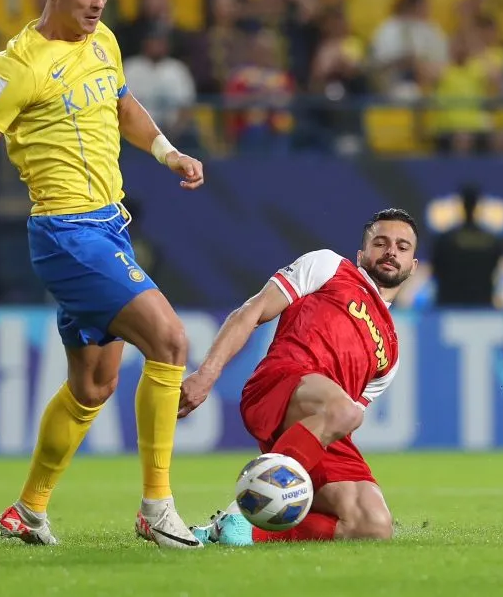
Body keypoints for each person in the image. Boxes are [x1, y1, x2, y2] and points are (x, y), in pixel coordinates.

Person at [0, 0, 207, 549]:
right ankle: (157, 506)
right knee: (172, 342)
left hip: (109, 228)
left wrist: (167, 152)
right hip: (66, 234)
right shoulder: (18, 64)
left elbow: (123, 106)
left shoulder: (104, 43)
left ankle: (29, 509)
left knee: (93, 387)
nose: (98, 2)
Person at [179, 208, 418, 545]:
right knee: (346, 412)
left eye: (402, 247)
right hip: (282, 381)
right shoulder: (330, 266)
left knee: (372, 525)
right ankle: (240, 511)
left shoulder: (391, 352)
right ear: (362, 254)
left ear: (413, 266)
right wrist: (206, 374)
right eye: (381, 243)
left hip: (319, 424)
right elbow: (253, 311)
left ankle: (240, 533)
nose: (391, 251)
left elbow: (335, 424)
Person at [431, 184, 503, 307]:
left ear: (462, 205)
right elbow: (496, 270)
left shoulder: (445, 239)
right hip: (482, 304)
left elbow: (436, 270)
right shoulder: (492, 240)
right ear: (477, 206)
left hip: (450, 304)